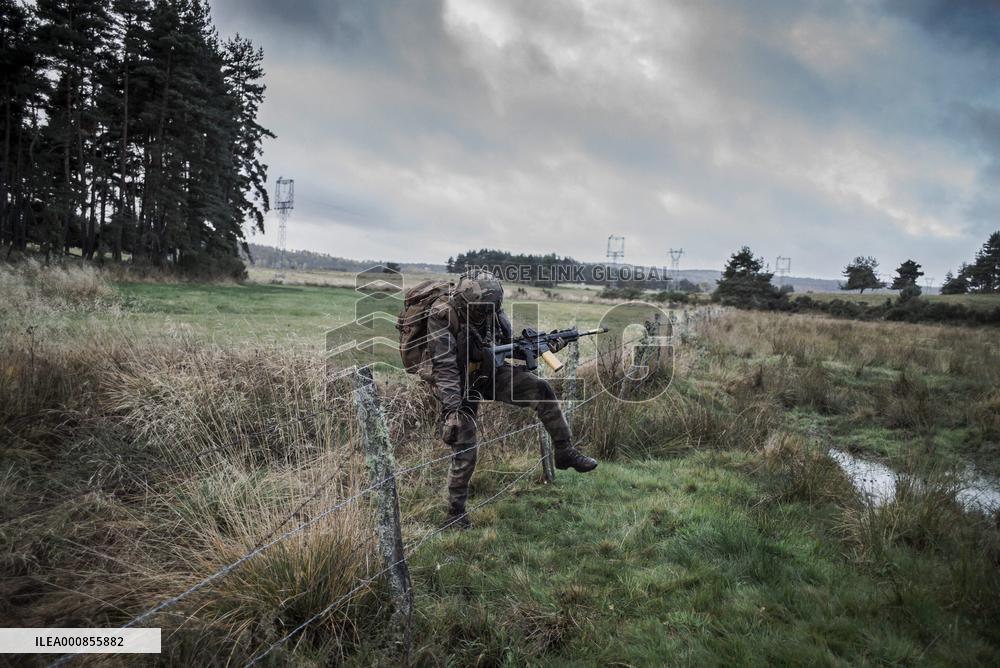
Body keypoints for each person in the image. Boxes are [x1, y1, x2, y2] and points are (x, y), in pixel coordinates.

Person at [421, 272, 598, 529]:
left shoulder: (494, 314)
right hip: (458, 382)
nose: (487, 314)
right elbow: (445, 367)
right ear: (466, 302)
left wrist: (542, 346)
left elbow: (508, 347)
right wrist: (452, 410)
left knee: (540, 389)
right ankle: (455, 514)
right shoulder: (442, 315)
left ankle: (565, 451)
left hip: (487, 373)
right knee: (465, 441)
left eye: (491, 309)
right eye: (482, 310)